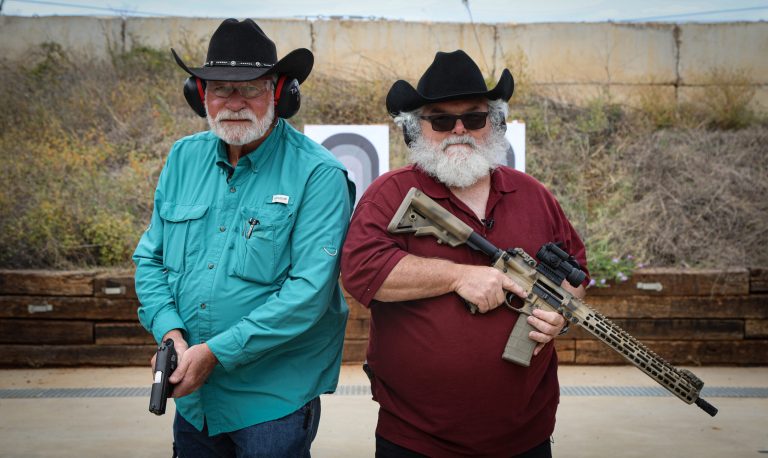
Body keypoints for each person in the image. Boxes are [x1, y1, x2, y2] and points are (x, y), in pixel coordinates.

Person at [340, 50, 589, 457]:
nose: (459, 130)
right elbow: (362, 271)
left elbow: (576, 277)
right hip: (416, 438)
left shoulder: (534, 195)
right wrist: (458, 276)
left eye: (474, 118)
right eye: (441, 120)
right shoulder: (389, 195)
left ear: (495, 124)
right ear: (414, 130)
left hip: (525, 434)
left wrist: (559, 318)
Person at [133, 18, 354, 457]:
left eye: (250, 87)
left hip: (272, 402)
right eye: (219, 88)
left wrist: (214, 353)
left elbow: (308, 294)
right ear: (200, 95)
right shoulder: (182, 158)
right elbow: (150, 259)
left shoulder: (318, 174)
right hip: (197, 401)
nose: (234, 103)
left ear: (279, 92)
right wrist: (171, 334)